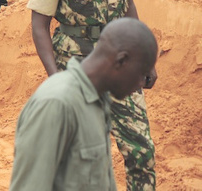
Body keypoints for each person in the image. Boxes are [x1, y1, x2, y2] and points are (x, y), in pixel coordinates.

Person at [27, 0, 158, 190]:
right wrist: (55, 79)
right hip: (76, 68)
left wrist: (143, 58)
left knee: (142, 150)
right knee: (79, 155)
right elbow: (39, 25)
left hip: (122, 65)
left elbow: (128, 4)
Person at [10, 18, 158, 190]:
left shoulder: (97, 101)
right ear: (121, 61)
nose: (141, 83)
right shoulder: (57, 104)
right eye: (141, 74)